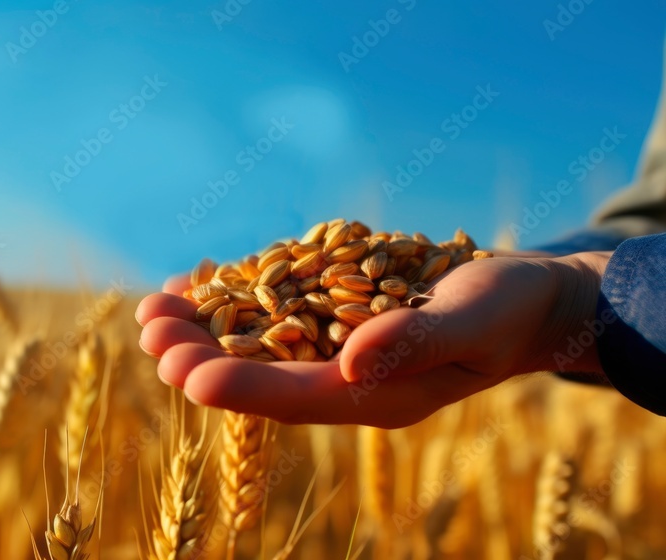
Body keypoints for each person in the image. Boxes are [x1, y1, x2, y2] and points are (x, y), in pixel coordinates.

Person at [136, 49, 666, 428]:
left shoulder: (347, 283)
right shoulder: (323, 285)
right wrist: (578, 279)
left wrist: (584, 294)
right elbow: (656, 206)